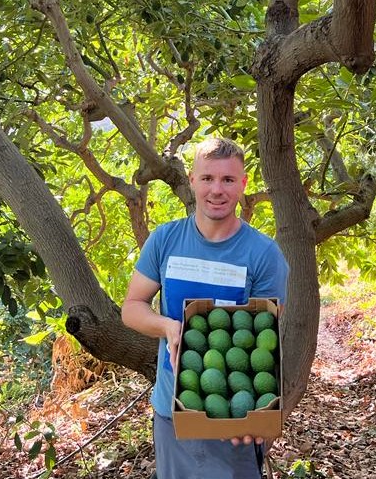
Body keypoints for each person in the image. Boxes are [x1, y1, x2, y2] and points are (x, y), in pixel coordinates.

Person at [121, 137, 289, 479]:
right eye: (208, 178)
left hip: (234, 415)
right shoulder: (165, 240)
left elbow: (262, 336)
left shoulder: (264, 254)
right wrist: (168, 327)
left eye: (228, 180)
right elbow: (132, 307)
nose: (217, 189)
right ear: (193, 181)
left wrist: (258, 410)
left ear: (243, 185)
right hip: (173, 409)